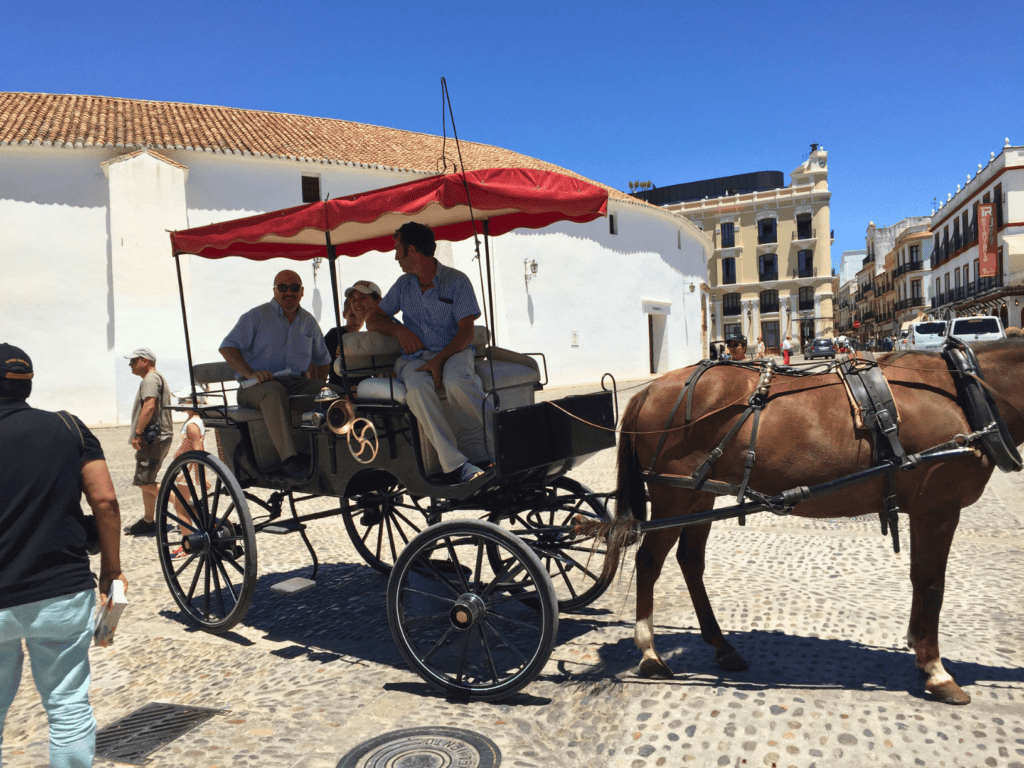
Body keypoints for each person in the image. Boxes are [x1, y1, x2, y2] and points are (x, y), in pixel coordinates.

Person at [0, 343, 127, 768]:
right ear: (29, 384)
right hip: (61, 591)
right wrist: (112, 570)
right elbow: (106, 501)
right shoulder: (69, 427)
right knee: (68, 706)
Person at [365, 222, 492, 483]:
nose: (396, 257)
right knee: (416, 388)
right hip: (414, 359)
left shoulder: (457, 281)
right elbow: (373, 319)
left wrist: (439, 361)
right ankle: (456, 464)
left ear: (412, 250)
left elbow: (466, 333)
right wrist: (400, 332)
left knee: (457, 382)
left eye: (398, 250)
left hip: (454, 352)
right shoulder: (403, 285)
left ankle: (505, 440)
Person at [220, 270, 341, 480]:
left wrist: (318, 387)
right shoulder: (256, 316)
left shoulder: (308, 321)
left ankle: (336, 451)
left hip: (295, 384)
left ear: (302, 292)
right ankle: (289, 459)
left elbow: (323, 359)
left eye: (294, 287)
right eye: (282, 287)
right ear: (274, 291)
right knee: (273, 390)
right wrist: (252, 373)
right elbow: (227, 348)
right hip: (254, 388)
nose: (288, 292)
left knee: (334, 393)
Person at [123, 348, 173, 536]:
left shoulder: (150, 379)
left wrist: (138, 433)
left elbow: (149, 405)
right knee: (147, 480)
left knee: (143, 482)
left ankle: (187, 507)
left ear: (145, 361)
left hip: (153, 439)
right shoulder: (155, 378)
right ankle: (148, 521)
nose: (130, 365)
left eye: (133, 361)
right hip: (158, 437)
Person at [168, 390, 207, 559]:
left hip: (187, 468)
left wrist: (202, 475)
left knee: (180, 506)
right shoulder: (193, 421)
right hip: (185, 467)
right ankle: (206, 523)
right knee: (182, 505)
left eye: (185, 400)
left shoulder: (192, 424)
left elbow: (199, 450)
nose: (181, 402)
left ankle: (187, 544)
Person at [325, 280, 383, 391]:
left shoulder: (376, 332)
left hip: (367, 384)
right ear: (344, 315)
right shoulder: (335, 334)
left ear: (378, 301)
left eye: (363, 297)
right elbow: (323, 359)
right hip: (343, 385)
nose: (358, 304)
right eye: (354, 299)